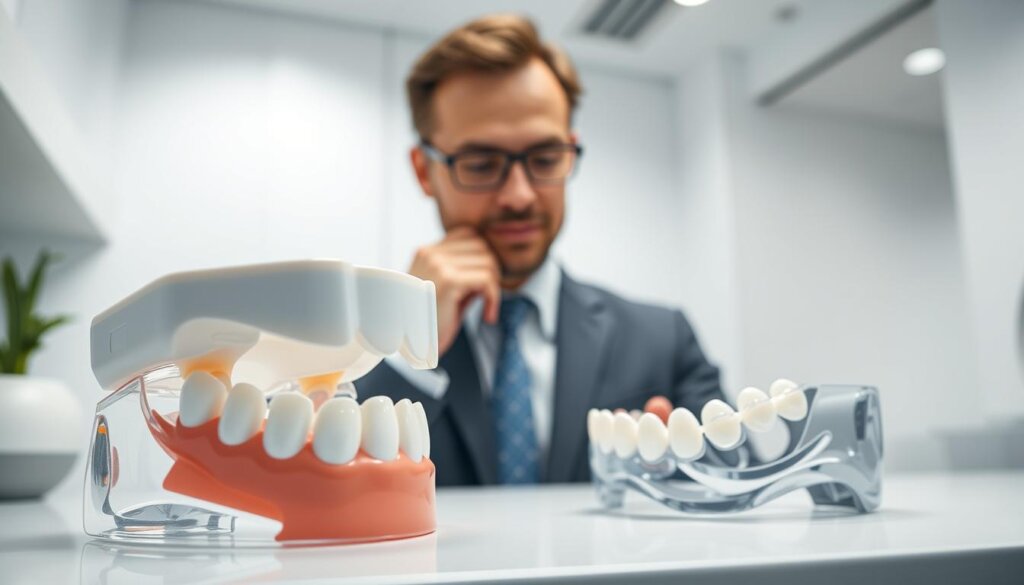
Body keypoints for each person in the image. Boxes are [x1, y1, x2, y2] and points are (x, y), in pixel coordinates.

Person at [358, 14, 731, 486]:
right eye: (480, 163)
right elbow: (311, 496)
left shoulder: (663, 341)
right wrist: (408, 347)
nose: (519, 195)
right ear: (423, 170)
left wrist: (678, 477)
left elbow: (746, 490)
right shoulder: (352, 351)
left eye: (544, 159)